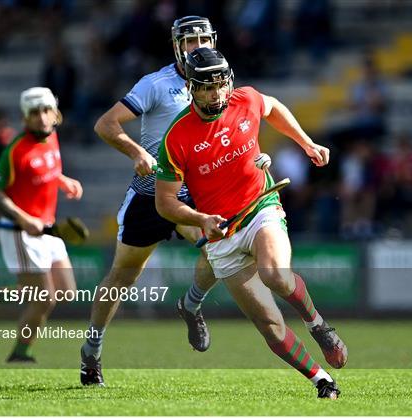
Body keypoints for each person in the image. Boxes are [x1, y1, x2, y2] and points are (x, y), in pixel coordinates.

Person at [155, 48, 347, 399]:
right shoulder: (176, 137)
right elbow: (164, 202)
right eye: (207, 87)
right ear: (191, 89)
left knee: (276, 275)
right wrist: (199, 219)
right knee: (270, 326)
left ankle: (317, 324)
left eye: (221, 84)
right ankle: (321, 379)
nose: (217, 94)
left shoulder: (246, 99)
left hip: (261, 207)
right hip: (221, 234)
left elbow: (273, 108)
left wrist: (306, 143)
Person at [80, 16, 220, 387]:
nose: (199, 47)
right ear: (176, 46)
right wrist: (137, 152)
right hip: (150, 193)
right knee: (123, 276)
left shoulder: (221, 80)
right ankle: (92, 350)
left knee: (220, 250)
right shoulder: (156, 84)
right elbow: (106, 124)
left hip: (193, 194)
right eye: (191, 42)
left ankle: (190, 306)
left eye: (204, 39)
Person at [0, 87, 83, 362]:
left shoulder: (52, 136)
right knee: (44, 299)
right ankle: (20, 353)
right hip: (21, 232)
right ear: (25, 117)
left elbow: (47, 169)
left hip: (48, 228)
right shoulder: (15, 151)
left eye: (45, 111)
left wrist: (63, 181)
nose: (41, 118)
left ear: (55, 113)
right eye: (34, 113)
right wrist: (23, 218)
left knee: (66, 292)